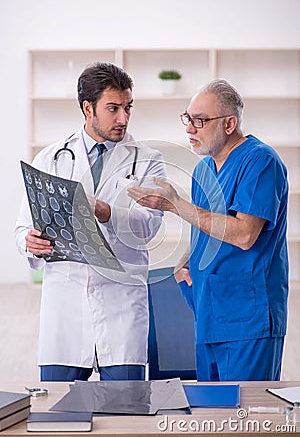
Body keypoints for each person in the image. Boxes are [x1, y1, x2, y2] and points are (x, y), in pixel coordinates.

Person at [128, 79, 289, 381]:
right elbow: (208, 225)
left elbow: (243, 234)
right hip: (208, 311)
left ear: (230, 123)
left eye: (199, 120)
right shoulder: (203, 168)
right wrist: (185, 260)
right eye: (187, 119)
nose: (189, 128)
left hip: (247, 318)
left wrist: (176, 204)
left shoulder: (261, 162)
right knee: (208, 416)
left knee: (245, 416)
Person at [15, 62, 166, 382]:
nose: (123, 118)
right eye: (113, 108)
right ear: (88, 108)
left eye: (128, 108)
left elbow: (149, 226)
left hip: (121, 304)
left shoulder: (148, 159)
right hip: (66, 306)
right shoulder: (51, 158)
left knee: (126, 413)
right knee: (59, 416)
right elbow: (22, 226)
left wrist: (106, 211)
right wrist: (29, 241)